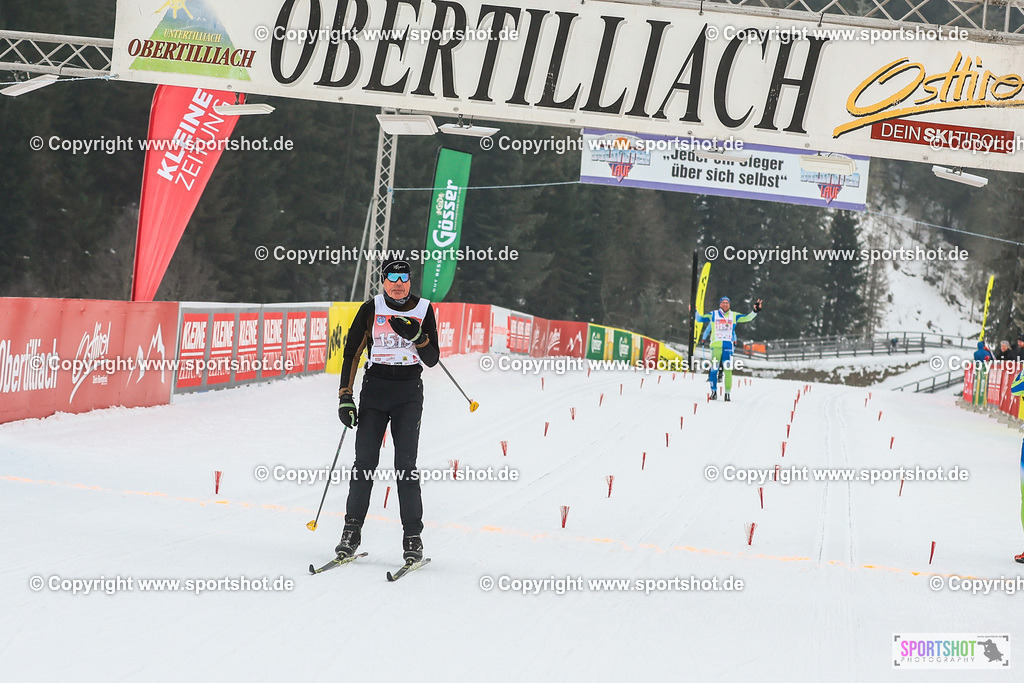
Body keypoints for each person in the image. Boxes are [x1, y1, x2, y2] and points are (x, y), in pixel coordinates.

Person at [335, 260, 440, 563]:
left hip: (408, 391)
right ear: (383, 281)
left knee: (405, 466)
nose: (398, 283)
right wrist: (345, 396)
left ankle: (413, 538)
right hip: (376, 389)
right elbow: (352, 353)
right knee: (364, 463)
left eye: (403, 277)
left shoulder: (423, 309)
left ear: (410, 280)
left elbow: (432, 359)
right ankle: (350, 533)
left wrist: (418, 337)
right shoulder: (371, 308)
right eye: (391, 277)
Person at [695, 296, 762, 401]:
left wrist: (755, 310)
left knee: (728, 370)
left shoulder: (734, 315)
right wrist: (694, 311)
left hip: (727, 347)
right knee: (714, 370)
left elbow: (748, 318)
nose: (725, 304)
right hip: (716, 346)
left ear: (729, 305)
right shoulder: (713, 314)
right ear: (720, 304)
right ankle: (714, 392)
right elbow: (699, 319)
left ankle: (727, 394)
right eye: (723, 302)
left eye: (727, 302)